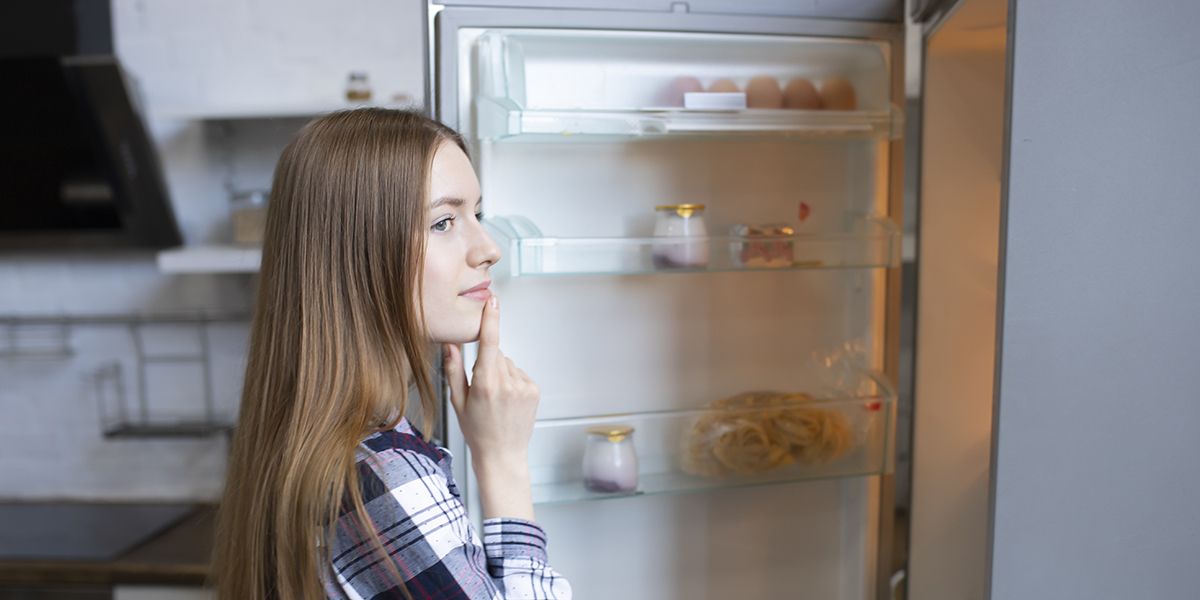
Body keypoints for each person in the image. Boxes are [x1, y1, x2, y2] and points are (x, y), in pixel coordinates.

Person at [211, 108, 572, 600]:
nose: (489, 248)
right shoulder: (381, 475)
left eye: (477, 215)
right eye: (444, 222)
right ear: (357, 252)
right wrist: (503, 460)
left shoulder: (319, 438)